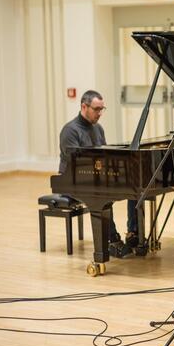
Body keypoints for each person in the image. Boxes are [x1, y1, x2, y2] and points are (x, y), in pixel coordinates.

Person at [59, 90, 139, 258]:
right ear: (84, 107)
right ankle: (112, 240)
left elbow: (104, 156)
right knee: (103, 196)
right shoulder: (70, 130)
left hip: (95, 176)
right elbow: (75, 164)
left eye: (102, 109)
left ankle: (134, 233)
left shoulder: (98, 128)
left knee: (136, 188)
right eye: (96, 109)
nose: (100, 113)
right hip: (71, 181)